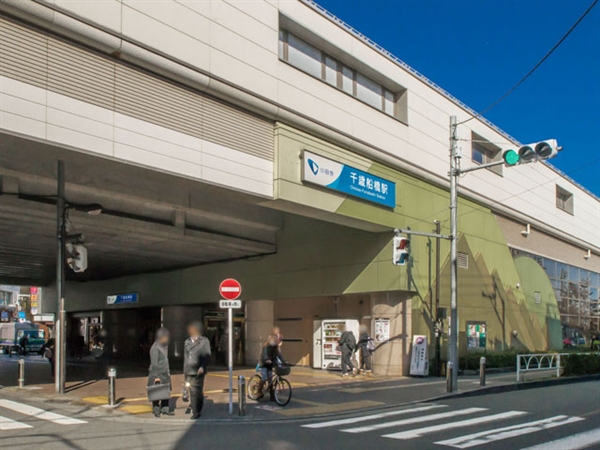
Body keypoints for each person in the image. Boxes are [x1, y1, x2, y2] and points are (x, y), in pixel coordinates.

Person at [183, 321, 211, 420]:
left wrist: (202, 366)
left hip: (199, 370)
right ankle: (195, 412)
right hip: (189, 370)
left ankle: (198, 408)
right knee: (192, 391)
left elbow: (207, 356)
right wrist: (185, 372)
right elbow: (186, 358)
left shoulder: (204, 341)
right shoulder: (187, 342)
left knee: (198, 392)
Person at [147, 328, 172, 418]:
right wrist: (156, 376)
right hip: (157, 373)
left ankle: (165, 409)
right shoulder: (155, 348)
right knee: (156, 392)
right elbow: (154, 364)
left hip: (165, 372)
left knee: (165, 391)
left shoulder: (164, 347)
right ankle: (156, 410)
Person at [258, 334, 280, 400]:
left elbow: (279, 355)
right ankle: (258, 391)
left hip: (270, 364)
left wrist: (284, 361)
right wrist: (267, 359)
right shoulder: (266, 346)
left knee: (270, 379)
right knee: (264, 377)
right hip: (264, 364)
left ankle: (272, 395)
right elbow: (265, 354)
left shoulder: (275, 347)